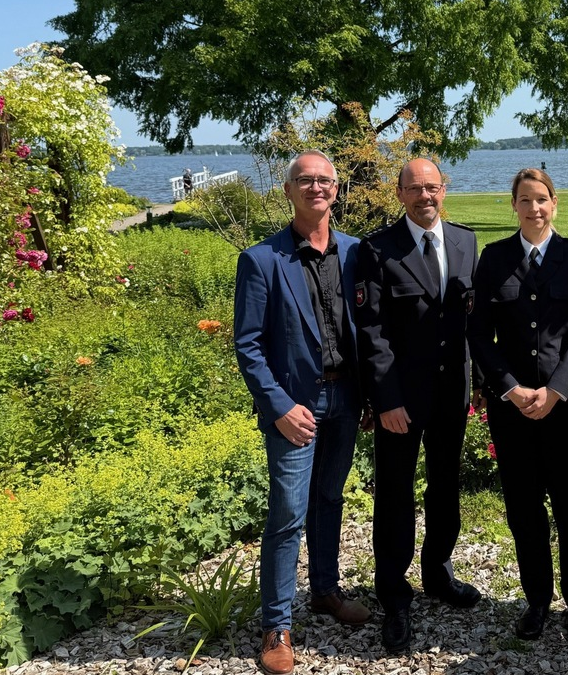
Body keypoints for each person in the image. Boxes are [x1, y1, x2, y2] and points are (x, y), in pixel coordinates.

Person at [233, 150, 371, 675]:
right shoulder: (262, 259)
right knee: (288, 514)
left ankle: (326, 592)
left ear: (338, 190)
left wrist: (370, 397)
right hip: (297, 406)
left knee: (330, 499)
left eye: (325, 180)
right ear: (288, 191)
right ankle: (276, 624)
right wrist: (279, 406)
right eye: (305, 180)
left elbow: (371, 330)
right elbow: (248, 345)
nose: (317, 187)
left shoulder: (356, 253)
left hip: (346, 400)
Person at [355, 158, 482, 654]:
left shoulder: (466, 242)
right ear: (400, 192)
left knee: (446, 485)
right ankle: (394, 593)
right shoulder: (378, 249)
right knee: (395, 493)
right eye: (415, 189)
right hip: (401, 402)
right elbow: (373, 331)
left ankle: (438, 573)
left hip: (453, 395)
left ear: (443, 190)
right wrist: (384, 399)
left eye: (433, 188)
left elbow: (472, 323)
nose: (425, 196)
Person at [467, 168, 568, 643]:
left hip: (566, 407)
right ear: (514, 206)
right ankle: (537, 599)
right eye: (525, 200)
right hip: (514, 408)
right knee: (524, 507)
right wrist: (509, 387)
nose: (534, 208)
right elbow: (479, 333)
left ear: (554, 203)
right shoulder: (495, 258)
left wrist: (559, 388)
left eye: (542, 199)